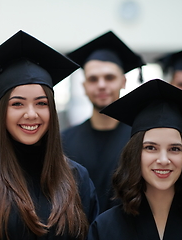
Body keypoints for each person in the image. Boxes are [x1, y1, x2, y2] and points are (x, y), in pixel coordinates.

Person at [0, 30, 99, 240]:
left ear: (52, 110)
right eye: (17, 103)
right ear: (2, 111)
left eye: (41, 103)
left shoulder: (77, 178)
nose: (31, 114)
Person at [87, 79, 182, 240]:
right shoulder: (106, 227)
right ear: (135, 155)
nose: (163, 160)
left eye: (174, 149)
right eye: (151, 148)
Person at [61, 31, 145, 212]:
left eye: (109, 77)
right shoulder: (64, 141)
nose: (101, 85)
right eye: (93, 79)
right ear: (84, 87)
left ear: (123, 81)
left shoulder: (140, 139)